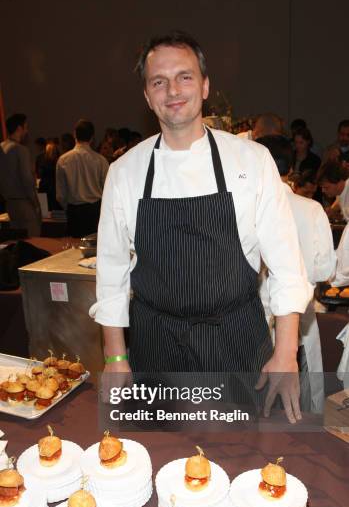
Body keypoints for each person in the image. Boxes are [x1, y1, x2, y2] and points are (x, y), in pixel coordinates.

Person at [90, 31, 312, 423]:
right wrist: (115, 358)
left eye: (185, 76)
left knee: (248, 459)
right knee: (162, 459)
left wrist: (286, 353)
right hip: (157, 346)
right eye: (159, 81)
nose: (172, 89)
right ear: (147, 95)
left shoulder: (251, 160)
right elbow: (111, 273)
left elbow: (287, 267)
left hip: (237, 342)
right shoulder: (124, 172)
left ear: (206, 85)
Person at [257, 135, 336, 412]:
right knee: (308, 366)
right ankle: (311, 416)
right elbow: (326, 269)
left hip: (259, 311)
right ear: (291, 169)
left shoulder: (248, 208)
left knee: (259, 384)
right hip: (302, 306)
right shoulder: (311, 208)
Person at [56, 119, 109, 237]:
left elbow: (60, 195)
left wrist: (69, 207)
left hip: (74, 211)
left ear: (74, 134)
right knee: (96, 248)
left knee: (74, 250)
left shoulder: (63, 160)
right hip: (94, 210)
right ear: (92, 137)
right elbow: (107, 190)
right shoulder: (100, 160)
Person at [0, 113, 41, 236]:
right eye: (26, 127)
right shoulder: (21, 150)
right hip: (24, 203)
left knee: (18, 243)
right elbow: (27, 179)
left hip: (9, 204)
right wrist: (35, 203)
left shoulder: (1, 148)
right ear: (19, 128)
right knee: (33, 241)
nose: (27, 131)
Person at [38, 141, 61, 211]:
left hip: (44, 187)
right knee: (56, 211)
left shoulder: (40, 159)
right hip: (55, 188)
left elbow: (39, 173)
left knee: (44, 211)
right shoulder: (59, 160)